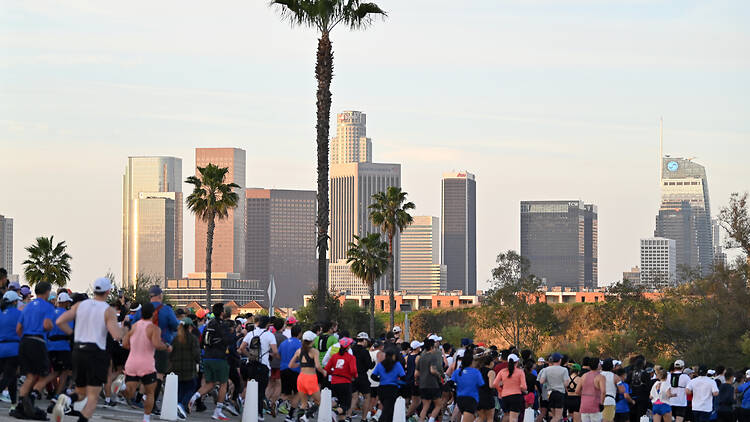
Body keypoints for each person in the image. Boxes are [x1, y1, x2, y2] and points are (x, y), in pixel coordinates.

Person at [53, 277, 125, 422]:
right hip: (96, 353)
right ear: (108, 291)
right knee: (92, 397)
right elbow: (116, 335)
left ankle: (66, 399)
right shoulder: (108, 310)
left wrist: (72, 334)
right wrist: (126, 329)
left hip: (78, 350)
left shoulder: (80, 305)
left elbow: (60, 321)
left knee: (80, 392)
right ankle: (69, 404)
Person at [121, 302, 172, 422]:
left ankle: (122, 388)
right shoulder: (154, 328)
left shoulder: (134, 326)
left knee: (130, 392)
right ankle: (146, 418)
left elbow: (124, 344)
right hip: (147, 364)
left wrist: (134, 347)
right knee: (150, 393)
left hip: (132, 362)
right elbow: (157, 344)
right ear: (154, 314)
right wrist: (167, 346)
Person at [133, 285, 178, 414]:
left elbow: (134, 325)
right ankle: (152, 404)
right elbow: (175, 325)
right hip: (161, 345)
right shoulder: (166, 310)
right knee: (159, 375)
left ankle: (139, 398)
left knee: (146, 372)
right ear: (160, 295)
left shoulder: (142, 310)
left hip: (144, 345)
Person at [14, 281, 55, 419]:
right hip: (38, 341)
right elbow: (47, 325)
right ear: (47, 292)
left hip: (25, 341)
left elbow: (18, 328)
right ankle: (31, 397)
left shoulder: (27, 306)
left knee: (30, 376)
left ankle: (20, 405)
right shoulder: (48, 307)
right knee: (44, 375)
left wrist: (25, 338)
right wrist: (48, 328)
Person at [188, 303, 235, 421]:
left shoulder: (209, 324)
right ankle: (217, 411)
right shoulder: (222, 325)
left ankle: (194, 397)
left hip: (207, 357)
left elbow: (202, 340)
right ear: (222, 312)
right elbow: (229, 340)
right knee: (224, 383)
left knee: (210, 383)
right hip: (219, 357)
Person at [34, 292, 74, 406]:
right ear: (66, 302)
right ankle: (57, 395)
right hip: (63, 346)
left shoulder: (50, 313)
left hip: (50, 346)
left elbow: (45, 329)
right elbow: (70, 331)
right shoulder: (67, 315)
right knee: (65, 371)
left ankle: (36, 389)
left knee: (55, 371)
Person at [239, 314, 279, 420]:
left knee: (251, 388)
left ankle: (248, 410)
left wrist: (250, 356)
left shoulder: (250, 333)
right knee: (261, 390)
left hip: (251, 364)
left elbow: (241, 348)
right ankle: (259, 414)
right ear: (267, 324)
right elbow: (275, 352)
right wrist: (271, 355)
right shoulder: (270, 335)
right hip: (263, 365)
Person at [289, 330, 327, 422]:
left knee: (303, 404)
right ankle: (306, 417)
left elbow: (290, 365)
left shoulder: (299, 351)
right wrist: (323, 372)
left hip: (301, 378)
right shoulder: (314, 351)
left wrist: (299, 365)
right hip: (311, 378)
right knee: (318, 401)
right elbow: (318, 366)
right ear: (312, 341)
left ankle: (299, 419)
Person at [170, 317, 200, 420]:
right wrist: (198, 361)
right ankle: (181, 405)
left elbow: (171, 353)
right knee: (192, 387)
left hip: (176, 368)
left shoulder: (175, 339)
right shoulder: (193, 338)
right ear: (190, 327)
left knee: (180, 390)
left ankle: (177, 407)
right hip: (189, 369)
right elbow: (196, 355)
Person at [325, 337, 357, 421]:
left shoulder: (334, 356)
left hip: (334, 382)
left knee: (339, 402)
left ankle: (339, 417)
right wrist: (355, 376)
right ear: (348, 347)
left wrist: (335, 373)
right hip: (345, 382)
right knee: (346, 405)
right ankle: (334, 413)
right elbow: (353, 371)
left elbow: (327, 369)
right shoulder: (351, 357)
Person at [0, 291, 22, 414]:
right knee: (8, 378)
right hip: (13, 349)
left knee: (12, 378)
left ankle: (13, 404)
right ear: (14, 302)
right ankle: (14, 404)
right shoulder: (19, 314)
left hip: (0, 348)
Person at [371, 345, 405, 422]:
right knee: (388, 409)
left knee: (386, 408)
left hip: (381, 389)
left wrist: (381, 379)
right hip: (392, 389)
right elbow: (403, 377)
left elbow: (373, 376)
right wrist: (397, 381)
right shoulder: (397, 365)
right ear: (393, 355)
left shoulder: (380, 365)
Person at [451, 348, 485, 422]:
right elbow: (481, 385)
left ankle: (452, 420)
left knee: (466, 417)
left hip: (460, 399)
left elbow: (451, 383)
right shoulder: (475, 372)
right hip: (471, 399)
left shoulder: (458, 371)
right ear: (471, 362)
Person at [493, 353, 528, 422]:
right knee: (513, 418)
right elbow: (524, 387)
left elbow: (495, 383)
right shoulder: (520, 372)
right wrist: (523, 390)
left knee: (506, 415)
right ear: (517, 362)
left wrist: (500, 391)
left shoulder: (502, 371)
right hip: (516, 396)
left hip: (505, 396)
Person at [416, 338, 444, 422]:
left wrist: (417, 381)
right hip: (432, 384)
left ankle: (421, 420)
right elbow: (432, 370)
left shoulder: (420, 358)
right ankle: (431, 420)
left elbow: (416, 373)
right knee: (439, 405)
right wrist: (439, 375)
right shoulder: (432, 357)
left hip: (422, 385)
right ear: (432, 347)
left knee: (425, 406)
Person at [279, 325, 303, 422]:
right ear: (299, 334)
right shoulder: (300, 344)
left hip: (283, 369)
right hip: (294, 370)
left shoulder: (284, 342)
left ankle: (278, 401)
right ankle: (290, 415)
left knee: (286, 393)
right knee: (298, 393)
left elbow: (279, 354)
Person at [538, 352, 568, 422]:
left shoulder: (546, 369)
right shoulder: (564, 370)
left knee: (554, 415)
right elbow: (566, 384)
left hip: (549, 393)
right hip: (559, 393)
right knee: (558, 417)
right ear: (560, 360)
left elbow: (541, 381)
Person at [351, 333, 373, 419]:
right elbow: (369, 365)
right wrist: (373, 363)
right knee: (367, 397)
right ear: (364, 340)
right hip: (362, 376)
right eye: (367, 341)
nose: (367, 343)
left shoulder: (351, 350)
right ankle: (364, 418)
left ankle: (348, 416)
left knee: (354, 397)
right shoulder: (365, 351)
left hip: (352, 376)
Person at [476, 350, 497, 422]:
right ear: (491, 363)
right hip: (488, 397)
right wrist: (498, 384)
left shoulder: (478, 371)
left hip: (478, 396)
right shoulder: (491, 372)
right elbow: (491, 385)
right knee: (490, 418)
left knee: (481, 417)